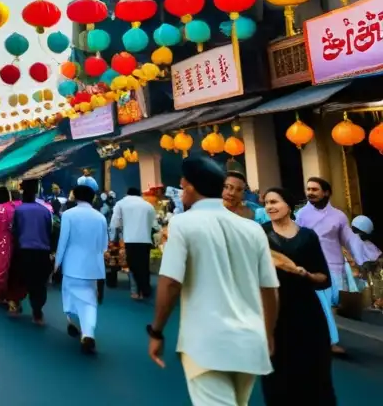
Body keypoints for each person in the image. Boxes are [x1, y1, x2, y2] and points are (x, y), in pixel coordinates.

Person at [147, 156, 278, 406]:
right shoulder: (252, 230)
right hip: (250, 341)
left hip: (207, 343)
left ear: (189, 186)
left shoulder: (183, 224)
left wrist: (157, 331)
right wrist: (268, 332)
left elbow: (170, 282)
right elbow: (270, 289)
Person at [260, 187, 335, 405]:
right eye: (266, 203)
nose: (269, 207)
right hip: (273, 311)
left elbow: (324, 278)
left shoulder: (308, 236)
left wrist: (308, 275)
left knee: (314, 372)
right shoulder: (259, 234)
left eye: (274, 202)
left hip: (307, 313)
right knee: (277, 374)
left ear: (288, 205)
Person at [294, 176, 370, 355]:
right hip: (310, 266)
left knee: (328, 304)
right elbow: (295, 238)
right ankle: (329, 341)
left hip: (333, 266)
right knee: (321, 305)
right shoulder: (301, 215)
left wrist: (363, 259)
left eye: (315, 189)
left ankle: (317, 339)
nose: (310, 193)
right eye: (308, 189)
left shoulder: (338, 216)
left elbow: (349, 240)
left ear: (326, 192)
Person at [54, 185, 108, 353]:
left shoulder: (68, 215)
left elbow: (63, 242)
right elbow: (103, 246)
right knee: (90, 301)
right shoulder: (100, 217)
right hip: (93, 266)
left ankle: (73, 322)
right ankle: (88, 333)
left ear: (75, 196)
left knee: (70, 296)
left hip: (71, 264)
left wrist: (57, 263)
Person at [9, 179, 53, 322]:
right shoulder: (45, 211)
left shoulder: (19, 210)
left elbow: (14, 231)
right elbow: (49, 232)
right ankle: (37, 311)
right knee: (39, 283)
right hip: (42, 252)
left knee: (18, 279)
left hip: (23, 250)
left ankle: (16, 304)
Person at [109, 187, 157, 300]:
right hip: (145, 240)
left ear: (127, 194)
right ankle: (144, 290)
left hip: (130, 239)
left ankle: (136, 291)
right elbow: (154, 224)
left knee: (133, 266)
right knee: (144, 266)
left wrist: (113, 238)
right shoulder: (148, 205)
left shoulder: (121, 204)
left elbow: (114, 223)